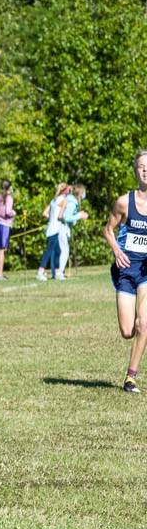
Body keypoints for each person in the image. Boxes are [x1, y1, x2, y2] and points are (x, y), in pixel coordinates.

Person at [102, 153, 147, 392]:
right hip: (127, 271)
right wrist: (118, 251)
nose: (145, 171)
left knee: (145, 323)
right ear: (135, 171)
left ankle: (131, 377)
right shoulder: (124, 202)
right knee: (128, 330)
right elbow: (108, 230)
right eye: (141, 167)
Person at [37, 184, 70, 281]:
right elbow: (60, 216)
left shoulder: (53, 200)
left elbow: (44, 214)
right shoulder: (64, 201)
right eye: (68, 190)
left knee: (58, 251)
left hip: (50, 228)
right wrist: (64, 221)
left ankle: (57, 273)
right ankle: (40, 272)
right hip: (55, 229)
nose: (69, 191)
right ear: (64, 191)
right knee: (49, 251)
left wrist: (51, 219)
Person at [57, 183, 88, 278]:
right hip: (62, 229)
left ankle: (59, 272)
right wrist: (80, 216)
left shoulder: (71, 200)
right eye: (84, 192)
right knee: (65, 251)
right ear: (80, 193)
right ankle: (59, 273)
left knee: (64, 250)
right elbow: (67, 217)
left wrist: (78, 214)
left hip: (64, 229)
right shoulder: (72, 202)